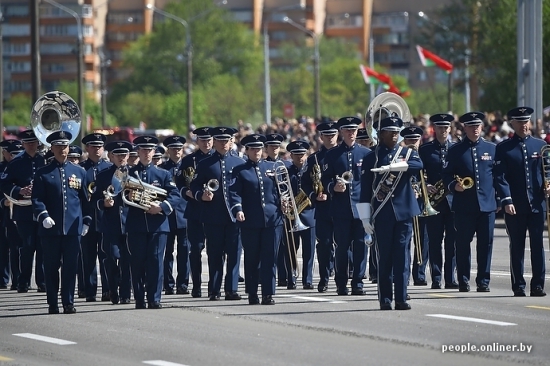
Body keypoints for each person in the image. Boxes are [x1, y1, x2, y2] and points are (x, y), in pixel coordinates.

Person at [359, 116, 422, 310]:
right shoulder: (372, 157)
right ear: (381, 133)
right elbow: (364, 190)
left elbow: (419, 165)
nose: (394, 135)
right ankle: (385, 298)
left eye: (396, 131)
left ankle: (401, 298)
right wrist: (364, 217)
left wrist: (397, 167)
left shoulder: (406, 153)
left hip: (403, 213)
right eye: (390, 131)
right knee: (384, 258)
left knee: (402, 257)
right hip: (382, 214)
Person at [31, 131, 91, 314]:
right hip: (51, 230)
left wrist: (86, 221)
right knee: (51, 268)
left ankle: (68, 302)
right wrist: (43, 215)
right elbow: (37, 199)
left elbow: (86, 200)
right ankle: (52, 303)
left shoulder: (79, 171)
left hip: (73, 229)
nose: (62, 150)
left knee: (70, 267)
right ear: (52, 148)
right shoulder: (43, 172)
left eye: (64, 146)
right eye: (58, 146)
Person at [494, 107, 547, 297]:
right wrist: (506, 200)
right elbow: (500, 177)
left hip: (537, 204)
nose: (524, 125)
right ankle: (518, 285)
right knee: (517, 245)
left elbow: (545, 172)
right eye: (520, 122)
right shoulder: (503, 148)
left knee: (538, 245)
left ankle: (538, 285)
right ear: (513, 124)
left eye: (526, 121)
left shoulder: (540, 145)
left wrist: (548, 186)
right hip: (514, 205)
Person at [442, 112, 497, 293]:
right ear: (464, 128)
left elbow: (497, 176)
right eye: (471, 126)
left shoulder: (491, 148)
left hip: (486, 205)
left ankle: (483, 280)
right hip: (464, 206)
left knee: (485, 244)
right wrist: (453, 185)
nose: (475, 129)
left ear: (482, 127)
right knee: (463, 244)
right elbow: (446, 174)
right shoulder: (455, 150)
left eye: (478, 126)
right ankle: (463, 279)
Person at [190, 127, 245, 301]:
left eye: (226, 140)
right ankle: (214, 289)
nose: (223, 143)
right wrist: (201, 196)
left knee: (234, 253)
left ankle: (232, 289)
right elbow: (194, 185)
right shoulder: (205, 163)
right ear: (214, 141)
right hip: (213, 215)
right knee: (214, 254)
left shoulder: (238, 162)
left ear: (231, 141)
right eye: (219, 140)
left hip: (234, 216)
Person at [127, 135, 180, 309]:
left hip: (158, 225)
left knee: (156, 262)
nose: (147, 153)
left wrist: (161, 207)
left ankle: (154, 298)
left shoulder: (163, 174)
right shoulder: (129, 173)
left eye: (149, 150)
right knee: (138, 262)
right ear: (138, 152)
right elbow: (118, 194)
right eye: (143, 150)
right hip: (136, 225)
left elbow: (175, 196)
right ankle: (140, 299)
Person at [229, 134, 284, 305]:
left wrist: (286, 202)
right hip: (250, 220)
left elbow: (281, 190)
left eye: (259, 149)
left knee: (270, 257)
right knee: (252, 258)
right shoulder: (240, 170)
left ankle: (268, 293)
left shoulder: (272, 166)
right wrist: (238, 209)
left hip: (273, 219)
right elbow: (234, 193)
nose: (257, 152)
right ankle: (252, 292)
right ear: (247, 151)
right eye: (253, 149)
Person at [321, 116, 370, 296]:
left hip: (361, 207)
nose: (351, 133)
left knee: (361, 245)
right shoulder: (332, 154)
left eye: (354, 130)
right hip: (341, 208)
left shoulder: (366, 153)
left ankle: (358, 281)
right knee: (342, 247)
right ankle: (341, 282)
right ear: (341, 132)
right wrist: (332, 187)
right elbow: (324, 178)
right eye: (347, 130)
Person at [0, 129, 46, 293]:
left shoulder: (45, 161)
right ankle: (23, 280)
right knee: (27, 246)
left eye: (33, 142)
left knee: (42, 247)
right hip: (24, 211)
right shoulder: (16, 163)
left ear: (37, 143)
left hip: (42, 211)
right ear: (23, 144)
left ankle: (42, 281)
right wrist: (20, 190)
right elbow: (5, 184)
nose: (31, 145)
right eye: (28, 142)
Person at [92, 141, 133, 304]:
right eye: (118, 155)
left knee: (127, 260)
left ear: (128, 156)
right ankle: (112, 288)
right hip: (110, 223)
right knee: (110, 258)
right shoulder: (103, 175)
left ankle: (125, 294)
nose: (122, 158)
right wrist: (103, 203)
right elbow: (93, 200)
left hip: (130, 223)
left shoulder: (134, 175)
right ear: (112, 156)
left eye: (124, 155)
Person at [419, 114, 457, 290]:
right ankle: (436, 277)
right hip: (434, 202)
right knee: (434, 241)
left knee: (453, 241)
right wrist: (424, 184)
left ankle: (450, 278)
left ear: (450, 129)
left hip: (453, 200)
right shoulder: (425, 150)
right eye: (440, 127)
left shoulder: (457, 148)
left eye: (446, 127)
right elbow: (416, 173)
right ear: (434, 129)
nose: (443, 130)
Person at [176, 127, 214, 298]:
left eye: (209, 139)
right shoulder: (188, 160)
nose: (206, 143)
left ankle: (214, 286)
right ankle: (196, 285)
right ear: (197, 141)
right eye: (203, 140)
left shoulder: (217, 159)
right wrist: (188, 192)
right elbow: (180, 182)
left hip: (215, 212)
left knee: (216, 251)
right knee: (195, 249)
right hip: (195, 210)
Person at [301, 121, 338, 292]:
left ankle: (342, 278)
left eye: (333, 135)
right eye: (327, 135)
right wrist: (314, 196)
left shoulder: (343, 155)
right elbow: (305, 183)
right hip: (323, 209)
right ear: (321, 137)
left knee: (344, 245)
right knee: (324, 245)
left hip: (342, 207)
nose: (330, 138)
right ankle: (324, 279)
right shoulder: (313, 159)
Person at [80, 133, 112, 302]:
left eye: (99, 146)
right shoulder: (81, 168)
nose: (97, 149)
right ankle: (90, 290)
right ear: (87, 148)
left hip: (105, 217)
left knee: (106, 255)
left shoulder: (108, 168)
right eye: (93, 146)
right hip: (87, 218)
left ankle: (107, 289)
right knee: (88, 256)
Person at [400, 126, 430, 287]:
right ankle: (402, 276)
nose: (413, 143)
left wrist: (427, 185)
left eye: (415, 140)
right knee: (404, 242)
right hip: (404, 203)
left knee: (423, 241)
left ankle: (419, 274)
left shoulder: (425, 154)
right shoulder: (400, 156)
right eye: (410, 140)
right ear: (404, 141)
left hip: (421, 202)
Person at [160, 135, 189, 295]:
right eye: (174, 149)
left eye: (179, 148)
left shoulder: (188, 167)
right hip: (167, 216)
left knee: (184, 251)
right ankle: (168, 283)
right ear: (168, 150)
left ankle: (183, 283)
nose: (177, 151)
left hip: (184, 215)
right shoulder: (163, 169)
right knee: (167, 252)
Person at [285, 140, 315, 290]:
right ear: (291, 155)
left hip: (309, 214)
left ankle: (307, 279)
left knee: (309, 251)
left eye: (302, 155)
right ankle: (291, 278)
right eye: (296, 155)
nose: (300, 158)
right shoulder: (286, 171)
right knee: (291, 250)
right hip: (290, 216)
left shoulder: (311, 170)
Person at [264, 133, 291, 287]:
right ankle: (274, 277)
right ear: (266, 148)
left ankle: (287, 275)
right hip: (272, 211)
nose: (274, 149)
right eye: (271, 146)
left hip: (287, 210)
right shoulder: (262, 165)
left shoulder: (286, 165)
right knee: (273, 247)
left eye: (276, 146)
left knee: (286, 246)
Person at [0, 140, 23, 289]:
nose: (15, 157)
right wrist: (3, 202)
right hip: (3, 212)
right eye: (12, 154)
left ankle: (18, 280)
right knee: (3, 248)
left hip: (19, 211)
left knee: (17, 248)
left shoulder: (20, 167)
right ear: (4, 153)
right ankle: (3, 279)